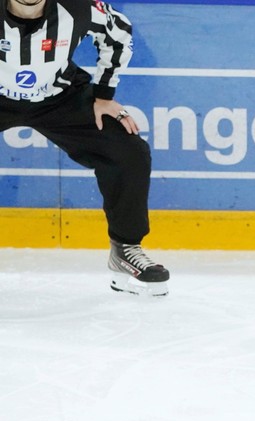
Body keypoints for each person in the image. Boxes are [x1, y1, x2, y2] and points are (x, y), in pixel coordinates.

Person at [0, 0, 169, 296]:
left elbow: (119, 33)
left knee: (128, 152)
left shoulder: (77, 7)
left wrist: (103, 95)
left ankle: (125, 248)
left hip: (60, 98)